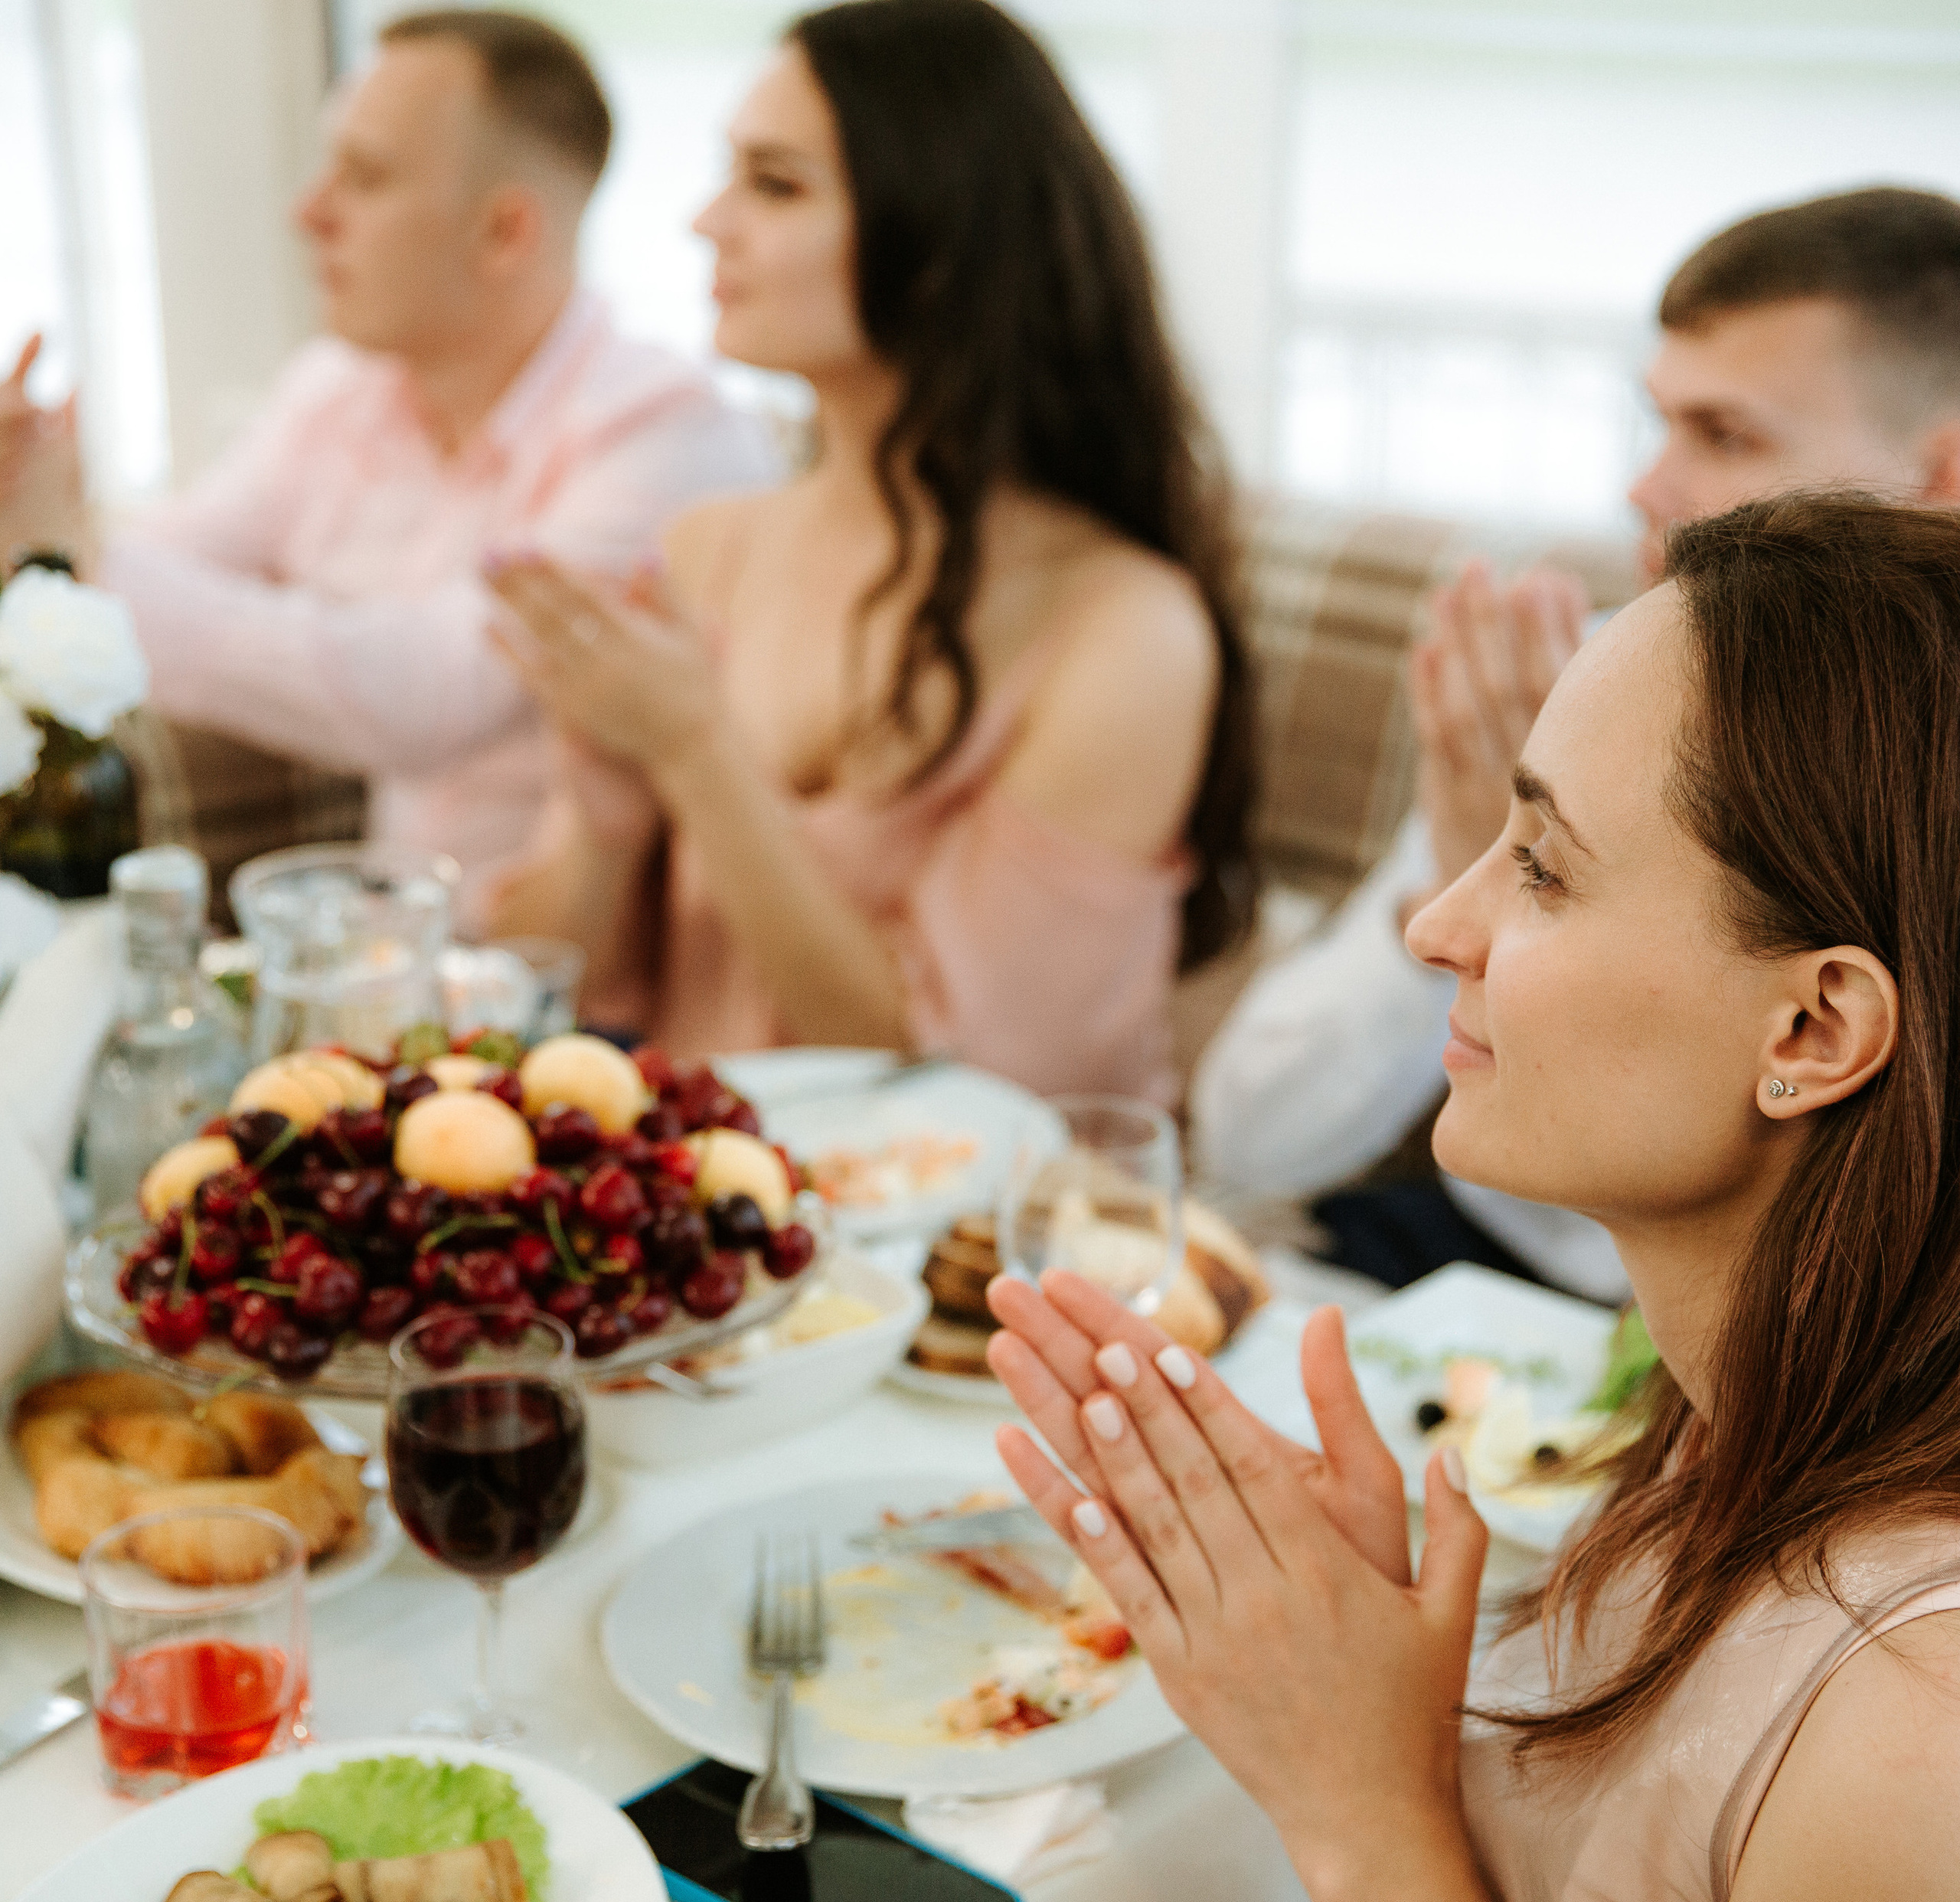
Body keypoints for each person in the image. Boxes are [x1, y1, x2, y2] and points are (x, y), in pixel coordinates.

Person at [991, 494, 1960, 1902]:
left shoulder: (1913, 1751)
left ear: (1817, 1026)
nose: (1434, 927)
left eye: (1545, 868)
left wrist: (1363, 1805)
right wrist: (1365, 1686)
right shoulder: (1741, 1422)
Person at [1193, 188, 1960, 1299]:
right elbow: (1248, 1141)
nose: (1646, 488)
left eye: (1725, 434)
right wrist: (1484, 854)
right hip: (1467, 1265)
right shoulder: (1605, 687)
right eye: (1662, 420)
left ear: (1939, 476)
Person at [480, 0, 1255, 1100]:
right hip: (715, 1216)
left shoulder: (1128, 631)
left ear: (940, 245)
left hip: (981, 1244)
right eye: (727, 173)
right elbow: (542, 998)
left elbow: (964, 1083)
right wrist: (606, 826)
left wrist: (698, 754)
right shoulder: (707, 550)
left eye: (776, 184)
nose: (708, 222)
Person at [0, 9, 775, 926]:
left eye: (363, 177)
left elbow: (423, 698)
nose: (309, 211)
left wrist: (57, 558)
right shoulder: (341, 388)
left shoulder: (663, 429)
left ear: (505, 232)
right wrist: (50, 541)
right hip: (389, 953)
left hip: (570, 979)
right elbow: (182, 553)